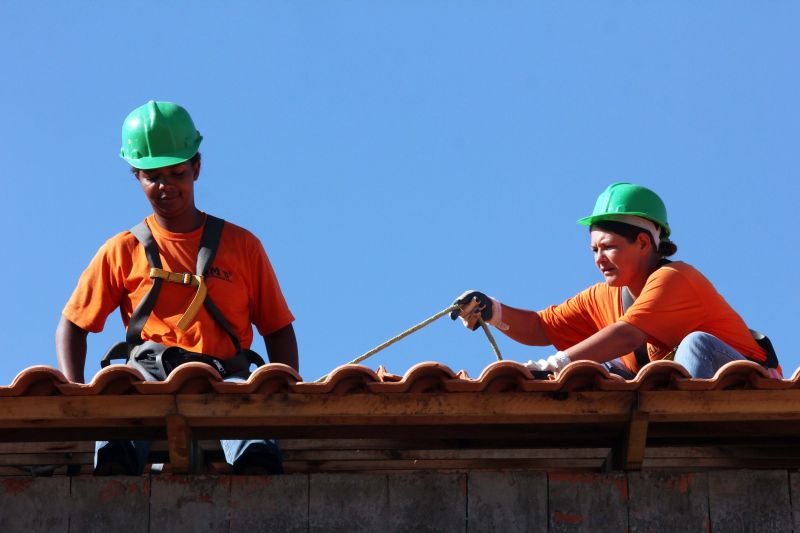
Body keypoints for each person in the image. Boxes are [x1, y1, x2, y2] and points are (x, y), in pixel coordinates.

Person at [56, 100, 298, 474]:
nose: (165, 186)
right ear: (136, 176)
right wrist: (77, 399)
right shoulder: (123, 250)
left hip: (226, 376)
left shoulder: (241, 246)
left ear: (196, 168)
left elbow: (279, 330)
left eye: (176, 173)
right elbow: (73, 325)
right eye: (153, 176)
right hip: (146, 379)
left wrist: (285, 397)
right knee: (115, 447)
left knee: (259, 457)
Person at [452, 182, 780, 380]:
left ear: (642, 242)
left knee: (695, 344)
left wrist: (552, 365)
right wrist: (491, 310)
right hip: (677, 397)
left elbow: (626, 334)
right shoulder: (605, 297)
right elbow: (541, 327)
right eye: (594, 249)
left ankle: (682, 427)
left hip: (749, 382)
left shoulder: (676, 279)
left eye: (608, 247)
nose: (599, 258)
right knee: (597, 370)